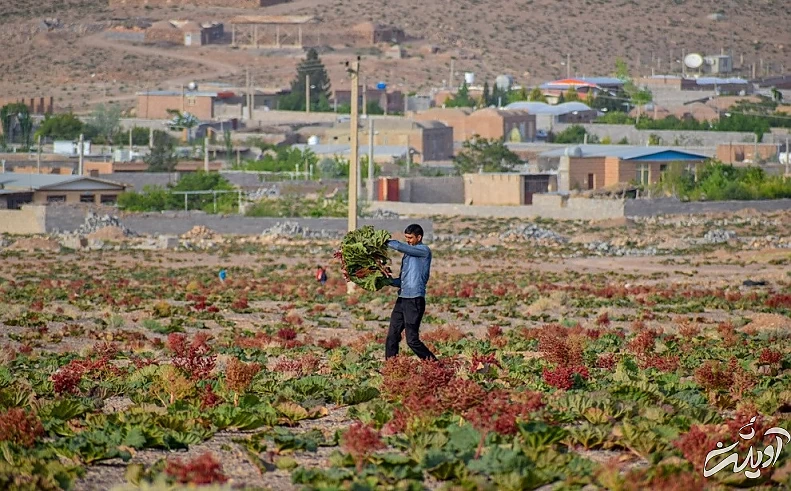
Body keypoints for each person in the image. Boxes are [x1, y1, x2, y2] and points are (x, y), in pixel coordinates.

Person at [384, 224, 437, 361]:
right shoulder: (408, 256)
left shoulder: (423, 251)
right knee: (392, 336)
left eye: (410, 238)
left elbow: (401, 247)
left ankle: (435, 365)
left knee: (412, 340)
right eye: (406, 238)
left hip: (414, 300)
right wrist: (386, 280)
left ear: (419, 237)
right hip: (402, 299)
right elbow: (402, 281)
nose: (408, 240)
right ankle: (391, 367)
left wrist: (383, 241)